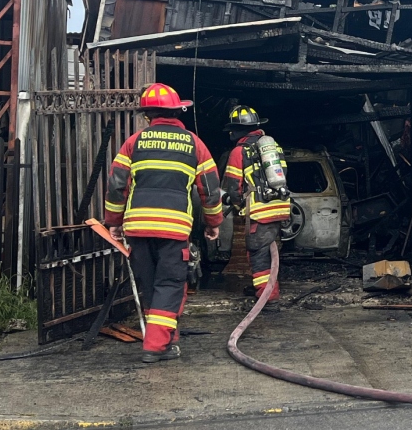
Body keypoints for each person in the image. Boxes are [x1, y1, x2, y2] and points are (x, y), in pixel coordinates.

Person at [104, 83, 223, 363]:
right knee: (169, 285)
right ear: (177, 111)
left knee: (150, 284)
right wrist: (213, 222)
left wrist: (114, 222)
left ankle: (168, 341)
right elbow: (210, 188)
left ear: (148, 115)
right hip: (174, 230)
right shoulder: (194, 144)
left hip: (138, 229)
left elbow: (117, 186)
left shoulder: (134, 142)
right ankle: (155, 346)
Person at [221, 105, 290, 301]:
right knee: (268, 252)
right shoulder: (273, 147)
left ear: (238, 130)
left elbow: (234, 186)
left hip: (260, 211)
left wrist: (237, 205)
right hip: (279, 206)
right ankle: (262, 289)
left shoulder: (239, 152)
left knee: (259, 255)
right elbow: (284, 173)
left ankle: (268, 298)